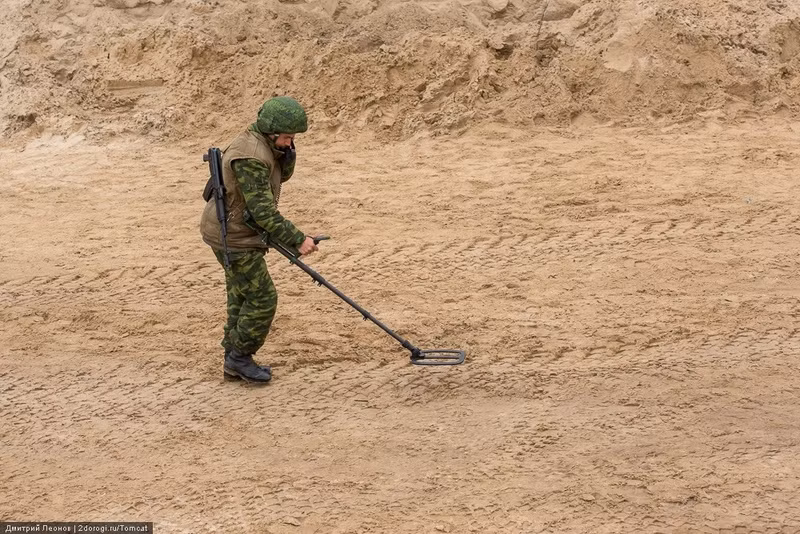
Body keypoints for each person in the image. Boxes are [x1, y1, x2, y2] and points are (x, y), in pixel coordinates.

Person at [200, 96, 318, 384]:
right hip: (236, 236)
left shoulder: (263, 144)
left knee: (241, 293)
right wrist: (297, 239)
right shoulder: (251, 157)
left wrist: (286, 156)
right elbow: (262, 211)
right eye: (288, 138)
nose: (291, 144)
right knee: (262, 298)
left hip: (236, 230)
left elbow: (276, 177)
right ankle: (239, 357)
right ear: (272, 132)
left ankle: (233, 357)